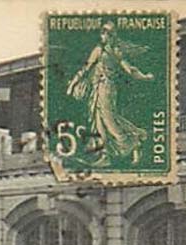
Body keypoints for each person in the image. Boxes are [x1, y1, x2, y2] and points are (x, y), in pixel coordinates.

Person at [65, 21, 154, 166]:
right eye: (103, 32)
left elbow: (129, 69)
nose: (104, 35)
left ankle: (132, 142)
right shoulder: (100, 50)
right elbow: (86, 68)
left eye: (107, 33)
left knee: (108, 119)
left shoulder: (113, 51)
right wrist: (73, 84)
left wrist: (144, 77)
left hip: (106, 87)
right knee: (100, 121)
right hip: (97, 88)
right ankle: (107, 154)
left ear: (113, 36)